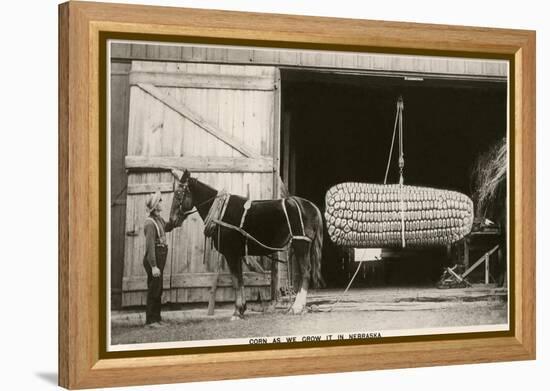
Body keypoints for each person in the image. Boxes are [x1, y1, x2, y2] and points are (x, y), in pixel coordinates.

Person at [143, 191, 180, 326]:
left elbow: (167, 227)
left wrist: (178, 220)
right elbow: (150, 247)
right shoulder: (150, 223)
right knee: (154, 289)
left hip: (160, 257)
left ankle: (157, 319)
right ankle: (150, 321)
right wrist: (153, 266)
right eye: (159, 201)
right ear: (155, 206)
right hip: (154, 259)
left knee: (158, 289)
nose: (161, 203)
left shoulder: (158, 219)